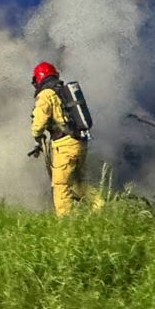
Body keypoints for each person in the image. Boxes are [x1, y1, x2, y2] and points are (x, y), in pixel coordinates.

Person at [30, 61, 101, 216]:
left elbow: (38, 124)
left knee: (60, 184)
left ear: (39, 78)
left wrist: (37, 136)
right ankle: (102, 207)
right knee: (77, 183)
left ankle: (66, 223)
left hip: (64, 146)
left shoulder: (46, 95)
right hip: (79, 142)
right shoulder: (62, 91)